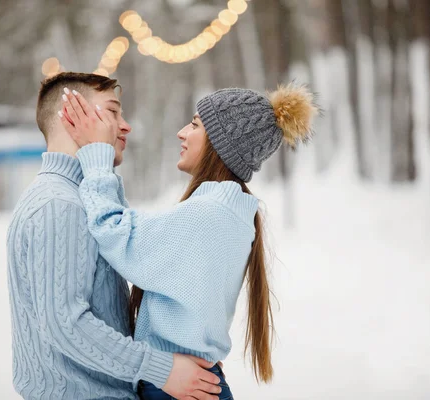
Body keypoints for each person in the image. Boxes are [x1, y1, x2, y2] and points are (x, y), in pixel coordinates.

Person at [60, 84, 317, 399]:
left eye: (195, 125)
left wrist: (97, 156)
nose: (182, 133)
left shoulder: (207, 214)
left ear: (222, 144)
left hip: (177, 387)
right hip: (192, 382)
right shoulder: (228, 211)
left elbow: (115, 232)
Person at [6, 72, 223, 400]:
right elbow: (66, 324)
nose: (125, 125)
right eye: (112, 112)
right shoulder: (58, 204)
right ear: (72, 115)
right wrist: (162, 369)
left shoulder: (76, 198)